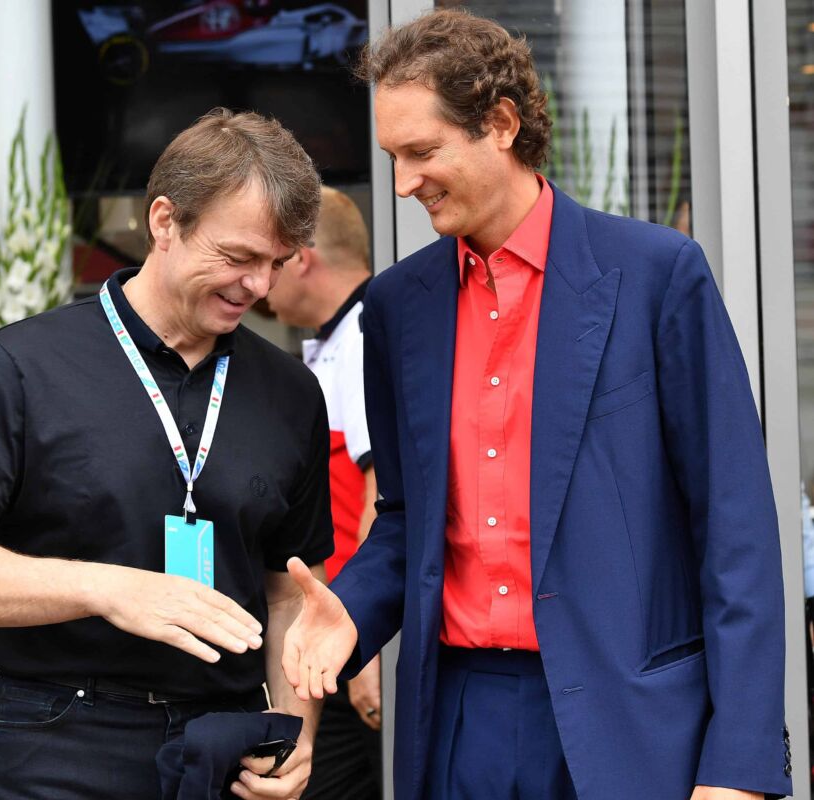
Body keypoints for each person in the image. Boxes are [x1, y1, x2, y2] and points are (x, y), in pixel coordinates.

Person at [281, 10, 792, 800]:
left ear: (502, 124)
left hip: (632, 720)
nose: (404, 182)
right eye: (392, 157)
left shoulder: (658, 276)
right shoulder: (396, 310)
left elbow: (738, 534)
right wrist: (350, 614)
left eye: (422, 152)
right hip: (456, 717)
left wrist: (741, 767)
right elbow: (409, 521)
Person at [0, 108, 333, 800]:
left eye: (276, 264)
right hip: (60, 734)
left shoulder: (291, 393)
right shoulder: (23, 364)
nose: (259, 288)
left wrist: (293, 732)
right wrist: (105, 587)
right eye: (239, 257)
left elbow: (287, 595)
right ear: (164, 222)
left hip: (228, 746)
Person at [267, 186, 382, 799]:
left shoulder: (366, 336)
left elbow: (380, 498)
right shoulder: (337, 339)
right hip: (339, 630)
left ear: (303, 258)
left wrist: (364, 645)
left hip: (353, 633)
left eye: (272, 258)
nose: (258, 278)